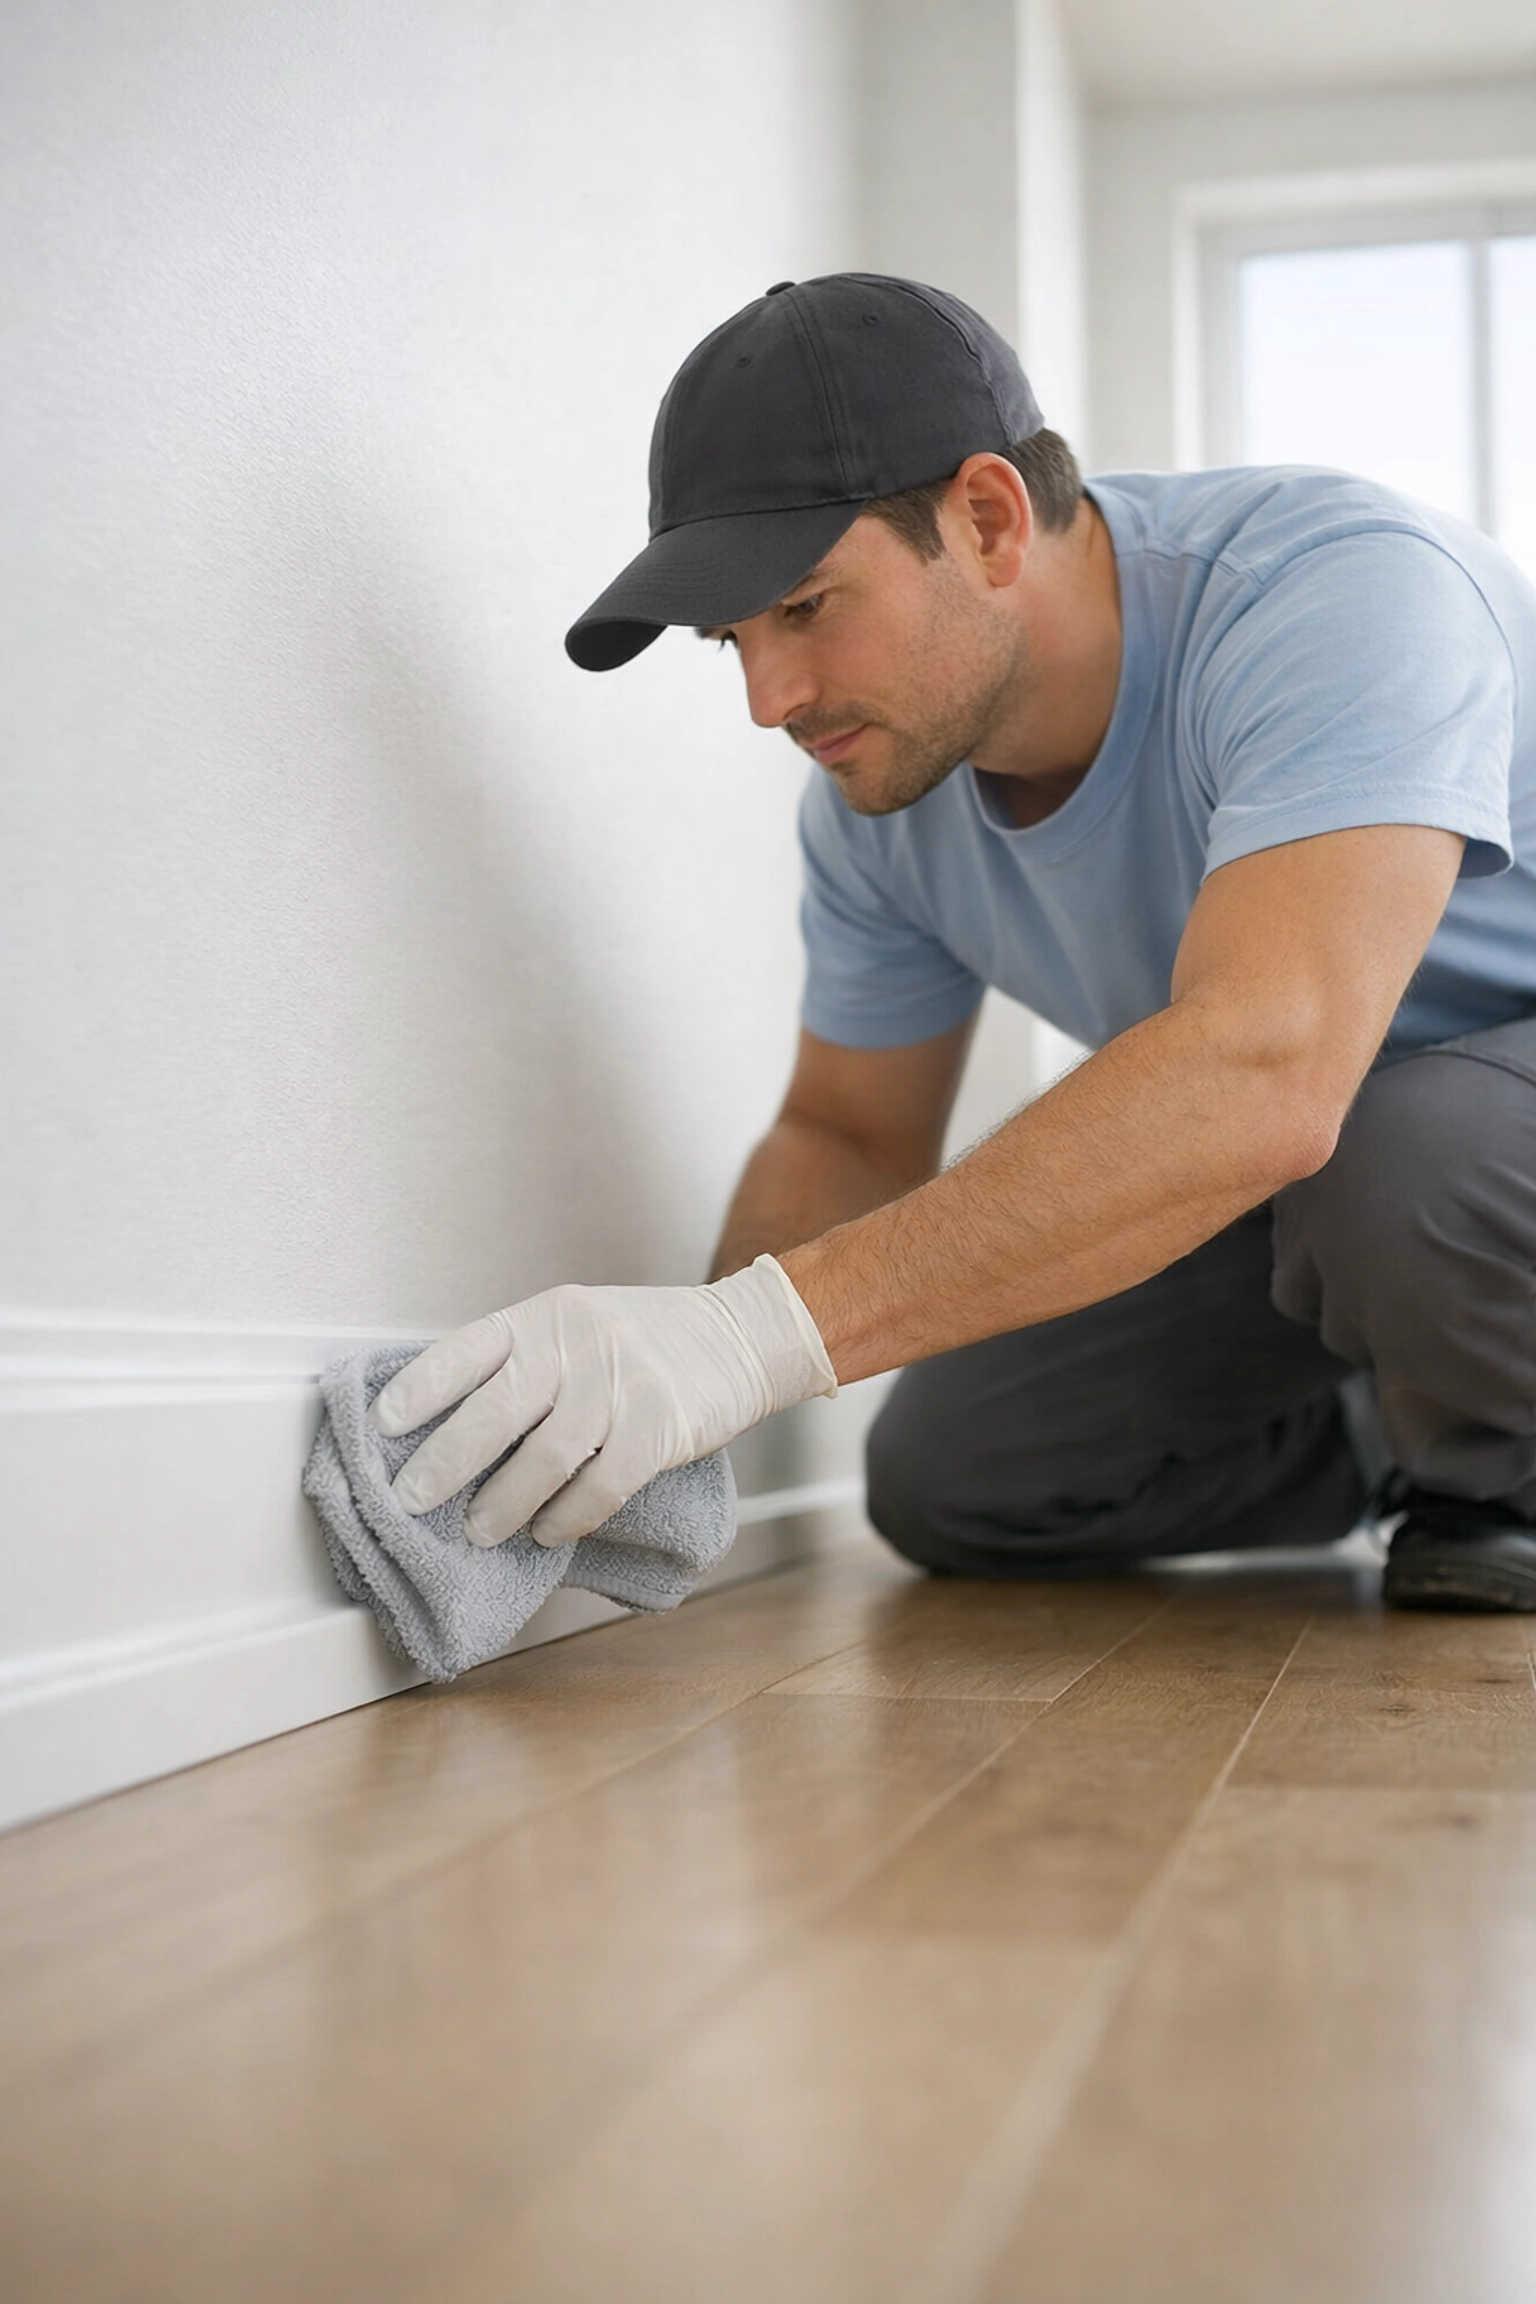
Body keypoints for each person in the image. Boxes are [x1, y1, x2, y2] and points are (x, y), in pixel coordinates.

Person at [371, 272, 1536, 1613]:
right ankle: (1421, 1418)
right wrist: (673, 1396)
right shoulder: (883, 800)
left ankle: (1502, 1478)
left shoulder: (1336, 599)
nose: (769, 700)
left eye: (806, 606)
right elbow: (848, 1134)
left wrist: (753, 1340)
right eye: (730, 641)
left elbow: (1267, 1068)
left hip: (1427, 1149)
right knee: (961, 1476)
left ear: (988, 519)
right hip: (1348, 1189)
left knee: (1406, 1156)